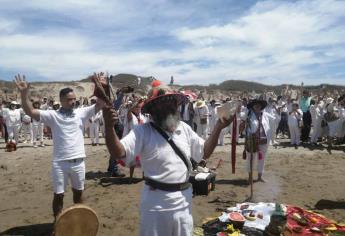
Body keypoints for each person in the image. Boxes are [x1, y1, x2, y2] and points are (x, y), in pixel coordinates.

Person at [102, 85, 232, 236]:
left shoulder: (184, 128)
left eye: (172, 102)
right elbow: (119, 153)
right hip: (155, 206)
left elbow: (205, 152)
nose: (169, 107)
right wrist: (109, 127)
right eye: (162, 103)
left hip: (184, 203)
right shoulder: (143, 131)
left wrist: (218, 127)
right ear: (153, 109)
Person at [15, 74, 104, 221]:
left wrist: (101, 86)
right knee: (59, 195)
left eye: (74, 99)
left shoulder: (81, 112)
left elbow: (100, 104)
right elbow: (30, 111)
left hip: (79, 162)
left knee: (79, 193)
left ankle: (79, 223)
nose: (73, 102)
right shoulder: (52, 115)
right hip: (60, 163)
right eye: (69, 99)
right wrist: (24, 95)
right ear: (61, 100)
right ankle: (57, 223)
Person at [244, 98, 274, 183]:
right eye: (255, 104)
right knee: (251, 158)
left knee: (262, 158)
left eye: (259, 104)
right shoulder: (249, 115)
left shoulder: (265, 114)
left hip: (264, 140)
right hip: (252, 140)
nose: (257, 106)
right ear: (253, 106)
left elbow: (274, 119)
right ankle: (250, 177)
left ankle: (260, 176)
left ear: (261, 106)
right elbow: (240, 116)